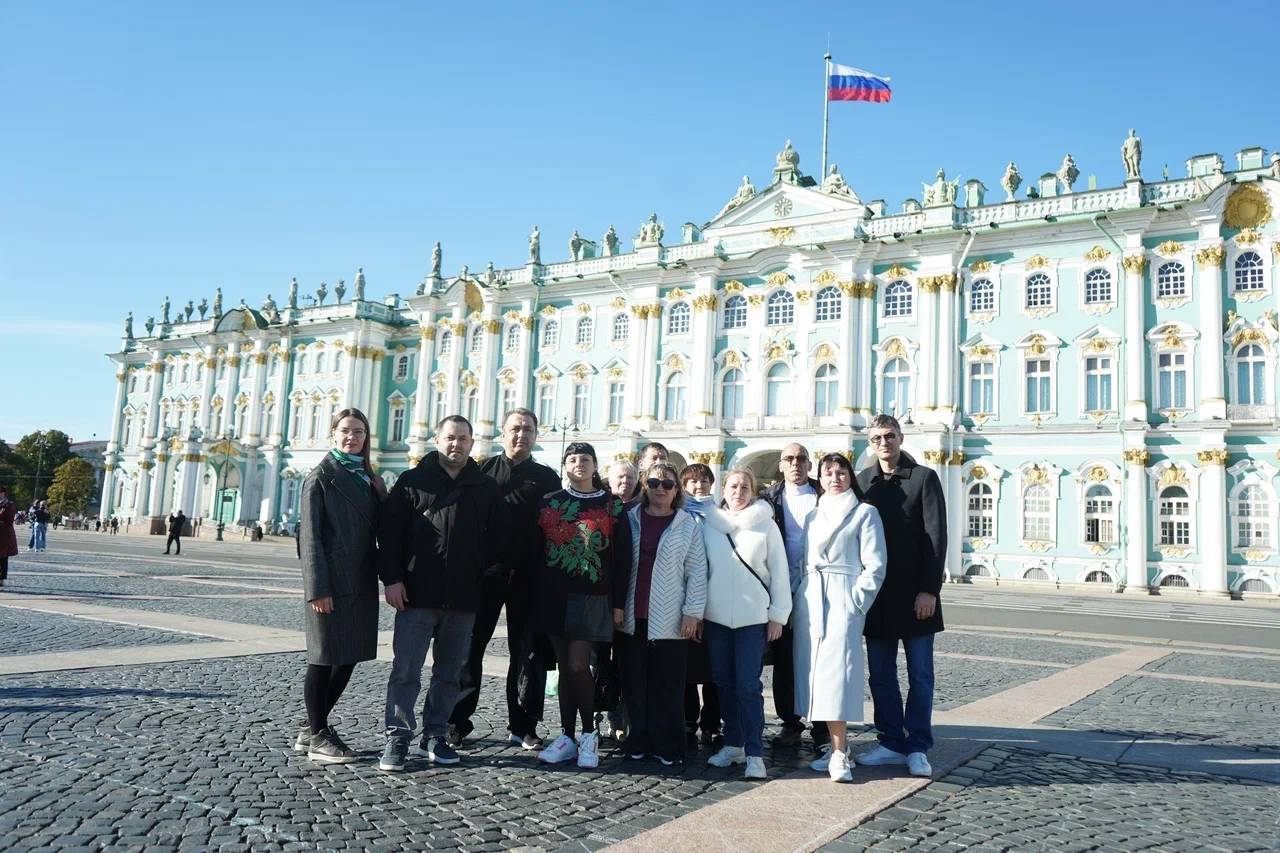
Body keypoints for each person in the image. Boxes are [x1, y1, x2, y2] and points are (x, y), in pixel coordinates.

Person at [378, 415, 508, 772]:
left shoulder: (484, 487)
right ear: (437, 439)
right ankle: (398, 736)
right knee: (407, 669)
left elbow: (499, 541)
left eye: (463, 439)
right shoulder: (411, 481)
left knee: (450, 672)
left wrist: (484, 579)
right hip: (417, 594)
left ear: (471, 442)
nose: (457, 444)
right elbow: (390, 536)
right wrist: (392, 579)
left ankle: (435, 734)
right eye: (450, 437)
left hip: (463, 598)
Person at [449, 408, 561, 751]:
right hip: (485, 575)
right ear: (502, 432)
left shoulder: (546, 478)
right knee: (472, 647)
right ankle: (457, 720)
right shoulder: (482, 471)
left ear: (535, 436)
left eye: (528, 430)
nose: (521, 435)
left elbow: (556, 529)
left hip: (529, 575)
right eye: (515, 428)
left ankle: (523, 724)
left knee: (525, 653)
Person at [854, 415, 948, 779]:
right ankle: (891, 741)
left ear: (901, 437)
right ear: (871, 441)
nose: (884, 443)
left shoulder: (924, 478)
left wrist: (929, 590)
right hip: (878, 598)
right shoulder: (864, 483)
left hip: (916, 596)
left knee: (921, 675)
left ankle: (918, 745)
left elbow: (935, 538)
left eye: (889, 436)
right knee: (880, 674)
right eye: (877, 437)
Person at [530, 442, 632, 768]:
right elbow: (535, 551)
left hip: (593, 595)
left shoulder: (611, 505)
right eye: (572, 459)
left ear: (595, 465)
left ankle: (588, 734)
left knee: (578, 666)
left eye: (585, 459)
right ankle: (566, 737)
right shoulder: (550, 503)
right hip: (553, 595)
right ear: (564, 465)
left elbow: (623, 559)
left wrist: (618, 603)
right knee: (564, 669)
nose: (579, 464)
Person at [296, 408, 387, 763]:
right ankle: (318, 734)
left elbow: (378, 527)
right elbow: (310, 537)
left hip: (359, 579)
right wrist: (318, 588)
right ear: (334, 433)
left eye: (360, 432)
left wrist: (381, 495)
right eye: (346, 431)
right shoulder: (321, 476)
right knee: (323, 658)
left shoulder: (366, 476)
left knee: (348, 656)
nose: (353, 437)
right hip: (331, 582)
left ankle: (311, 726)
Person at [794, 453, 886, 782]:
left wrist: (855, 602)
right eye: (829, 472)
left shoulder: (865, 512)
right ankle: (837, 748)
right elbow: (804, 559)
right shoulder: (814, 516)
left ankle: (839, 752)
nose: (835, 478)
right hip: (813, 599)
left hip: (842, 597)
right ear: (819, 477)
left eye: (841, 471)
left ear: (850, 476)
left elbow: (875, 565)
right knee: (815, 678)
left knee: (838, 677)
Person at [701, 469, 790, 780]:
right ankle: (733, 743)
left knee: (748, 686)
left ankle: (754, 752)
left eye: (744, 486)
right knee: (722, 682)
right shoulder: (710, 525)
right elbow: (701, 571)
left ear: (753, 491)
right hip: (716, 618)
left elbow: (779, 572)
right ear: (723, 489)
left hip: (753, 619)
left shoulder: (766, 525)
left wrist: (778, 614)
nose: (738, 491)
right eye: (733, 485)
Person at [619, 462, 707, 766]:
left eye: (667, 484)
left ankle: (668, 745)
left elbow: (696, 572)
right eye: (654, 483)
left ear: (676, 491)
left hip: (670, 618)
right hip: (633, 616)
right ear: (645, 486)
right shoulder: (630, 519)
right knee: (635, 685)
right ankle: (637, 740)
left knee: (667, 687)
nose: (660, 489)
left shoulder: (687, 525)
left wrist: (692, 613)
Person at [760, 443, 824, 748]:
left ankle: (823, 723)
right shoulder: (768, 499)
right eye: (789, 459)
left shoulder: (826, 495)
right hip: (781, 585)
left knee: (819, 655)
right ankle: (790, 721)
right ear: (781, 465)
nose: (795, 463)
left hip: (819, 584)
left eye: (801, 458)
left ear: (810, 465)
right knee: (785, 656)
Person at [679, 463, 721, 749]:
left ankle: (712, 723)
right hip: (685, 601)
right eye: (692, 482)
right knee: (687, 668)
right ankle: (688, 721)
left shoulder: (721, 515)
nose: (699, 486)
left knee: (714, 670)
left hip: (717, 601)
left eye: (704, 481)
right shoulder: (679, 515)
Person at [0, 486, 17, 588]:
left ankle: (1, 578)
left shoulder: (8, 504)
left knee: (2, 557)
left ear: (3, 493)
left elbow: (9, 520)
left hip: (4, 534)